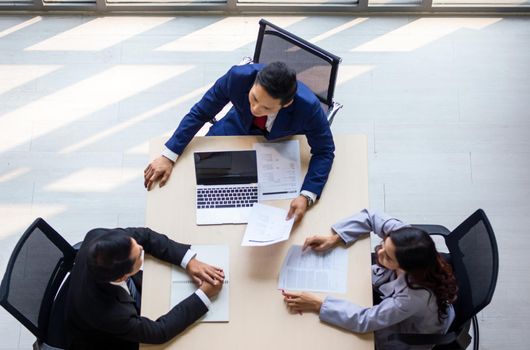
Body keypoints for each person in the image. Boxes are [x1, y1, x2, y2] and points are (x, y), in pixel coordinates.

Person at [144, 61, 335, 222]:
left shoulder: (308, 108)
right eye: (253, 98)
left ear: (286, 104)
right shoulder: (237, 77)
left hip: (279, 144)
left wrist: (306, 195)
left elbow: (324, 151)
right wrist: (168, 156)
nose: (255, 108)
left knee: (265, 204)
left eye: (266, 107)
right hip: (235, 127)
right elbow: (202, 111)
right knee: (198, 180)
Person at [282, 209, 458, 350]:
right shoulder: (404, 240)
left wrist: (318, 305)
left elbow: (365, 321)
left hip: (410, 331)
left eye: (388, 257)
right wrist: (335, 238)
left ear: (405, 267)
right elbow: (371, 216)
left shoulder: (412, 298)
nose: (379, 253)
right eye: (383, 245)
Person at [65, 227, 225, 350]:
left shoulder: (97, 236)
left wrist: (189, 262)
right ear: (122, 277)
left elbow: (146, 237)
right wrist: (203, 295)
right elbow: (159, 332)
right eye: (139, 255)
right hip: (105, 339)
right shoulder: (110, 314)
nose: (142, 248)